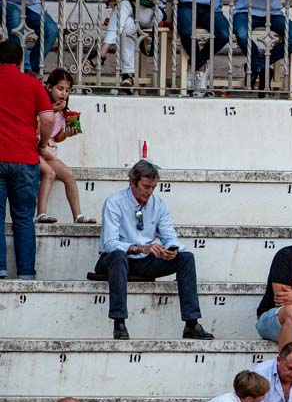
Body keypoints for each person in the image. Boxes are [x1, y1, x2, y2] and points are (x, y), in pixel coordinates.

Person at [96, 160, 213, 341]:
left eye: (153, 187)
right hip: (116, 258)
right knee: (118, 256)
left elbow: (169, 236)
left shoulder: (159, 204)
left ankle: (191, 323)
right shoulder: (114, 202)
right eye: (145, 186)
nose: (149, 191)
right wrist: (139, 247)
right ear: (132, 182)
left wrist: (172, 250)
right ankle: (119, 321)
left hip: (145, 260)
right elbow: (110, 243)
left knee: (186, 258)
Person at [0, 37, 51, 280]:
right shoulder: (31, 84)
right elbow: (49, 118)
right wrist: (42, 144)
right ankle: (26, 274)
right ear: (21, 60)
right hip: (24, 156)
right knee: (23, 217)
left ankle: (0, 269)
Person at [35, 69, 92, 224]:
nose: (64, 94)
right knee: (50, 174)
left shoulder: (62, 113)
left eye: (67, 90)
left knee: (68, 175)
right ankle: (41, 213)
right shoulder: (41, 107)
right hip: (33, 151)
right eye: (60, 89)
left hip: (48, 152)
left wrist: (67, 134)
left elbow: (56, 137)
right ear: (49, 88)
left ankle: (78, 215)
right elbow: (35, 127)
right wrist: (51, 111)